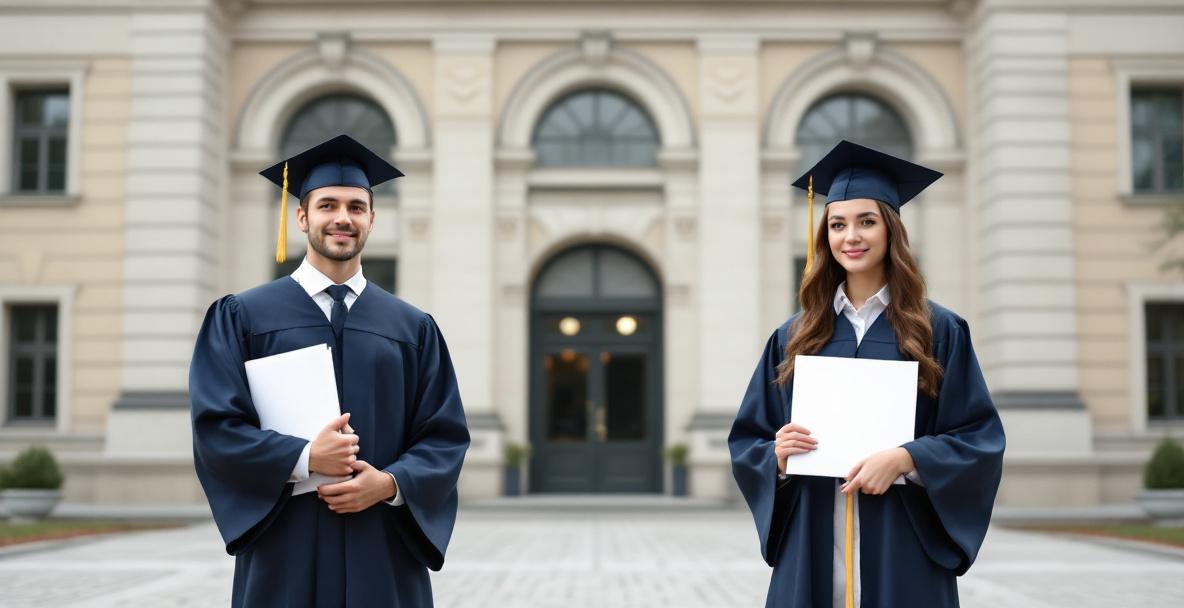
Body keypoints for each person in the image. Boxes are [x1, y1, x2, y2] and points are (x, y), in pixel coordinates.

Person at [189, 134, 470, 607]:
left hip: (382, 546)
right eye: (328, 205)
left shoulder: (412, 327)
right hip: (285, 547)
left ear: (373, 219)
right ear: (302, 216)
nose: (343, 218)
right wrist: (304, 459)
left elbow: (444, 436)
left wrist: (391, 484)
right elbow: (217, 429)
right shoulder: (243, 317)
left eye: (357, 207)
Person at [729, 140, 1005, 608]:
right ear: (824, 236)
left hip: (902, 544)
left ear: (891, 230)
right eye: (837, 224)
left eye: (866, 222)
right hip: (813, 539)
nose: (850, 237)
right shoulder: (794, 335)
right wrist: (776, 457)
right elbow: (748, 439)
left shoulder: (937, 330)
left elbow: (978, 437)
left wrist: (907, 459)